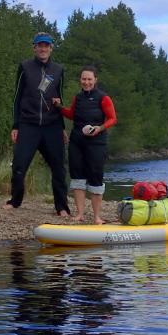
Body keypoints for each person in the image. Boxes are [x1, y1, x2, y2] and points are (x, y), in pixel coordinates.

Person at [4, 32, 71, 216]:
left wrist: (63, 127)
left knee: (58, 167)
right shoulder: (25, 66)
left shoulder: (58, 70)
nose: (43, 49)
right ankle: (15, 201)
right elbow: (17, 98)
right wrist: (15, 125)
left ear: (51, 48)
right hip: (28, 124)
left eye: (46, 46)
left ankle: (62, 207)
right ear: (34, 48)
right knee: (19, 165)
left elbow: (60, 100)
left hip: (52, 126)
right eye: (40, 46)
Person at [53, 66, 117, 224]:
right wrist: (59, 107)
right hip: (77, 141)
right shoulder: (78, 97)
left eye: (89, 79)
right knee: (77, 177)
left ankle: (96, 217)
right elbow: (72, 114)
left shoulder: (103, 98)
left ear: (95, 80)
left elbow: (112, 119)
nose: (86, 82)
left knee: (95, 176)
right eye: (83, 79)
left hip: (97, 142)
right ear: (80, 80)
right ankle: (80, 214)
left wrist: (99, 128)